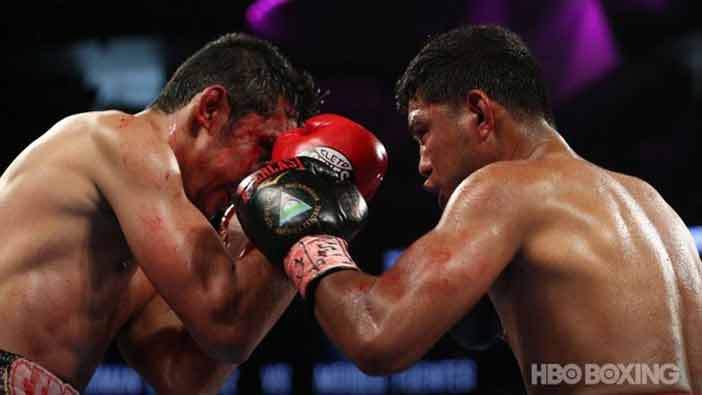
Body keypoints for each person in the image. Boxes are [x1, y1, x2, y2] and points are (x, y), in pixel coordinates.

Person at [240, 25, 702, 393]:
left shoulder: (503, 186)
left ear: (479, 113)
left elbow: (376, 331)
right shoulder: (654, 208)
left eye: (423, 133)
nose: (421, 164)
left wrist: (302, 228)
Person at [0, 32, 322, 394]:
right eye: (263, 149)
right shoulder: (123, 141)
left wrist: (295, 232)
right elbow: (226, 321)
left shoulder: (145, 242)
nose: (259, 179)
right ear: (211, 109)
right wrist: (306, 206)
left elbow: (184, 377)